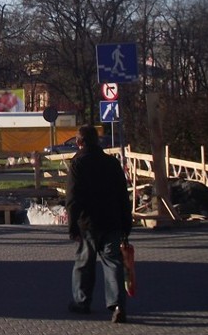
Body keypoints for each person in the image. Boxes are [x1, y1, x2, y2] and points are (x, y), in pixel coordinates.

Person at [65, 124, 132, 323]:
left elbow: (72, 198)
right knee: (113, 264)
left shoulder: (78, 164)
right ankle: (117, 305)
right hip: (112, 221)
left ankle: (82, 302)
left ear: (79, 142)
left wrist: (72, 227)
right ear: (98, 141)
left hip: (88, 223)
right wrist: (126, 224)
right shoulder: (111, 163)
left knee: (84, 264)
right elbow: (123, 195)